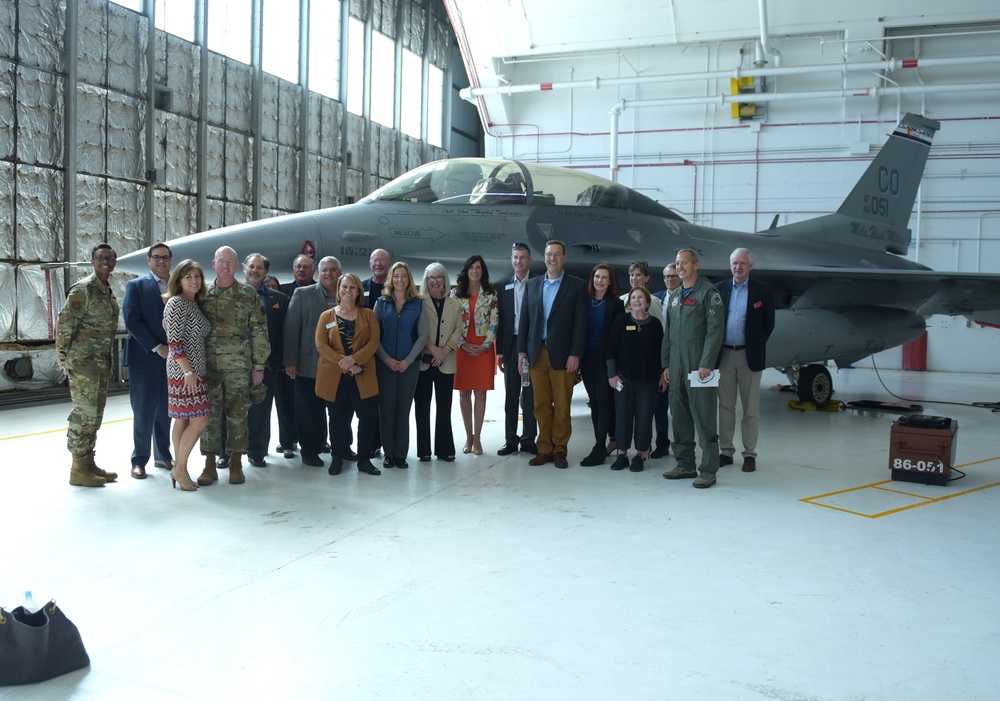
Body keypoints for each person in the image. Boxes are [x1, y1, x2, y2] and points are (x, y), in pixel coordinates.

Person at [196, 246, 269, 486]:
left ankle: (236, 462)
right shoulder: (202, 293)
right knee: (209, 418)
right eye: (221, 261)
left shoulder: (248, 295)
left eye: (230, 262)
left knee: (238, 416)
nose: (226, 266)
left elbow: (259, 330)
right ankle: (209, 463)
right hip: (208, 368)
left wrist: (259, 366)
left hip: (239, 367)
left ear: (237, 266)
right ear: (213, 264)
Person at [517, 240, 588, 469]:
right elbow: (525, 321)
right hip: (536, 354)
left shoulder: (576, 286)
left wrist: (576, 353)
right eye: (549, 254)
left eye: (557, 254)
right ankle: (544, 449)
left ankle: (560, 450)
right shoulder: (533, 285)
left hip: (564, 355)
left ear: (564, 258)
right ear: (544, 257)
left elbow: (580, 323)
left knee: (563, 406)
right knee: (541, 405)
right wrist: (521, 353)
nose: (552, 259)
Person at [56, 244, 121, 487]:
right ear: (92, 261)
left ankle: (88, 462)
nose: (106, 261)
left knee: (95, 416)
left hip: (100, 363)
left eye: (110, 258)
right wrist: (64, 359)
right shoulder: (83, 290)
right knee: (84, 415)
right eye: (101, 258)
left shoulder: (106, 290)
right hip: (83, 364)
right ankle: (78, 468)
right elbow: (64, 327)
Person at [660, 248, 725, 489]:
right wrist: (666, 364)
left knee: (704, 415)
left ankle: (708, 469)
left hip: (699, 366)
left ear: (696, 265)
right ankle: (685, 463)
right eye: (677, 263)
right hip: (676, 365)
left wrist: (707, 362)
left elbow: (715, 330)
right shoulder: (675, 296)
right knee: (680, 415)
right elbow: (668, 334)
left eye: (684, 262)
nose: (680, 267)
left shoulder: (708, 293)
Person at [283, 256, 350, 468]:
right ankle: (310, 451)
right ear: (318, 273)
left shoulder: (347, 295)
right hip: (308, 364)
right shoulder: (302, 294)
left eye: (333, 270)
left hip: (340, 366)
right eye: (325, 270)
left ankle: (343, 447)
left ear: (339, 273)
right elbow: (291, 329)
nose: (329, 274)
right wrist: (291, 361)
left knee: (341, 411)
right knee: (309, 411)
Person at [315, 273, 382, 476]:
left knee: (368, 418)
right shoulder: (326, 316)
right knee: (337, 419)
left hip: (363, 374)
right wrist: (345, 363)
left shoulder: (368, 315)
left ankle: (364, 460)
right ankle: (337, 457)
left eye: (352, 288)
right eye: (344, 287)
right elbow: (321, 345)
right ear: (338, 290)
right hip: (335, 377)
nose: (348, 291)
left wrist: (354, 360)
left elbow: (373, 342)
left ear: (358, 292)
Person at [715, 247, 775, 473]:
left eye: (742, 263)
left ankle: (749, 454)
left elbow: (769, 322)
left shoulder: (763, 290)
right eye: (734, 263)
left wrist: (755, 343)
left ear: (751, 265)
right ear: (730, 265)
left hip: (750, 356)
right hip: (725, 356)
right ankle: (726, 451)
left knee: (750, 409)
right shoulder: (719, 289)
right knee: (725, 406)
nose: (738, 267)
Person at [122, 242, 173, 480]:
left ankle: (162, 455)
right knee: (143, 410)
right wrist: (156, 347)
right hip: (145, 357)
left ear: (171, 260)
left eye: (165, 257)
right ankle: (139, 460)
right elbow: (132, 320)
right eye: (156, 257)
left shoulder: (178, 285)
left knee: (166, 409)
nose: (161, 261)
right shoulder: (136, 286)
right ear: (149, 260)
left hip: (174, 359)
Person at [162, 259, 212, 491]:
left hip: (194, 370)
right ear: (178, 281)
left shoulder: (193, 303)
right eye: (188, 277)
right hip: (184, 372)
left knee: (183, 418)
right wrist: (188, 371)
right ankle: (180, 469)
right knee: (200, 420)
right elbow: (174, 342)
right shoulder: (177, 303)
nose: (194, 281)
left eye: (197, 276)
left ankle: (179, 467)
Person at [374, 262, 428, 469]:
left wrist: (408, 360)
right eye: (396, 276)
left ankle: (401, 454)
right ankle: (388, 453)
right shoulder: (381, 302)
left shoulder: (418, 303)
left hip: (409, 365)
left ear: (409, 279)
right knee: (386, 409)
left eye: (403, 276)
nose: (399, 280)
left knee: (403, 409)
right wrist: (386, 358)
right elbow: (374, 335)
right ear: (390, 279)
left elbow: (423, 335)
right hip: (385, 364)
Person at [607, 286, 664, 473]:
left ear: (647, 302)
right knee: (622, 416)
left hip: (648, 380)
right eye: (633, 298)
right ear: (629, 302)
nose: (637, 301)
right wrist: (612, 374)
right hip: (624, 379)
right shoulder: (621, 321)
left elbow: (661, 352)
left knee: (644, 416)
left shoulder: (655, 324)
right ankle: (622, 454)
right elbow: (611, 350)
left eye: (641, 298)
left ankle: (641, 453)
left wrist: (663, 375)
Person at [242, 253, 289, 467]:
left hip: (267, 366)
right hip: (234, 365)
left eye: (259, 267)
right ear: (244, 269)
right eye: (251, 266)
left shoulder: (278, 299)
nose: (255, 270)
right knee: (231, 410)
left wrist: (276, 362)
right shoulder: (230, 295)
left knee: (261, 411)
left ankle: (257, 451)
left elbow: (283, 334)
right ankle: (227, 453)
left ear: (266, 272)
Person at [414, 263, 463, 462]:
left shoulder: (455, 304)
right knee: (422, 408)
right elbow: (415, 330)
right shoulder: (418, 301)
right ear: (426, 281)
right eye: (431, 278)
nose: (435, 281)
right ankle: (423, 450)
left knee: (444, 408)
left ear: (445, 280)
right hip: (424, 362)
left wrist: (444, 351)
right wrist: (432, 349)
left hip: (446, 361)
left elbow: (458, 330)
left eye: (439, 277)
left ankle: (444, 449)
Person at [452, 255, 499, 456]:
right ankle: (468, 437)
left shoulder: (491, 294)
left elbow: (495, 322)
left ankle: (478, 437)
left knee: (480, 393)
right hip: (462, 348)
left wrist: (484, 345)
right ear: (466, 271)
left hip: (483, 349)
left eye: (478, 267)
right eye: (471, 267)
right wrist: (462, 344)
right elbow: (452, 323)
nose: (475, 271)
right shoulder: (455, 294)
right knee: (463, 393)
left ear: (483, 271)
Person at [579, 264, 624, 466]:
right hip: (587, 359)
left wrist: (614, 366)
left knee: (603, 402)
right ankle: (601, 443)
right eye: (597, 276)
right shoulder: (585, 301)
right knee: (594, 402)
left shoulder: (615, 304)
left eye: (604, 277)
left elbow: (616, 338)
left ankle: (600, 446)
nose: (600, 280)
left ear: (610, 281)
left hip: (605, 360)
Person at [496, 242, 537, 456]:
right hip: (511, 345)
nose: (518, 261)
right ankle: (511, 440)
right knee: (511, 395)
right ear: (511, 260)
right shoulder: (502, 286)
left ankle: (529, 440)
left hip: (531, 344)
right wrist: (500, 353)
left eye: (522, 257)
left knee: (530, 395)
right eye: (515, 257)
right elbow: (501, 321)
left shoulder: (539, 283)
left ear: (529, 260)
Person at [275, 254, 316, 458]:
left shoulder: (324, 291)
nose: (302, 270)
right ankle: (288, 441)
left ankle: (319, 439)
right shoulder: (281, 293)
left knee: (314, 404)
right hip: (286, 359)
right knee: (286, 402)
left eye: (306, 267)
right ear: (293, 270)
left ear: (313, 270)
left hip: (314, 359)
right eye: (298, 266)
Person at [650, 263, 682, 459]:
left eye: (674, 276)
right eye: (667, 276)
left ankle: (682, 444)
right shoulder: (656, 299)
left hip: (681, 358)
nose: (670, 279)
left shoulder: (688, 297)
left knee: (681, 406)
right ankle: (662, 443)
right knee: (660, 406)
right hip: (660, 359)